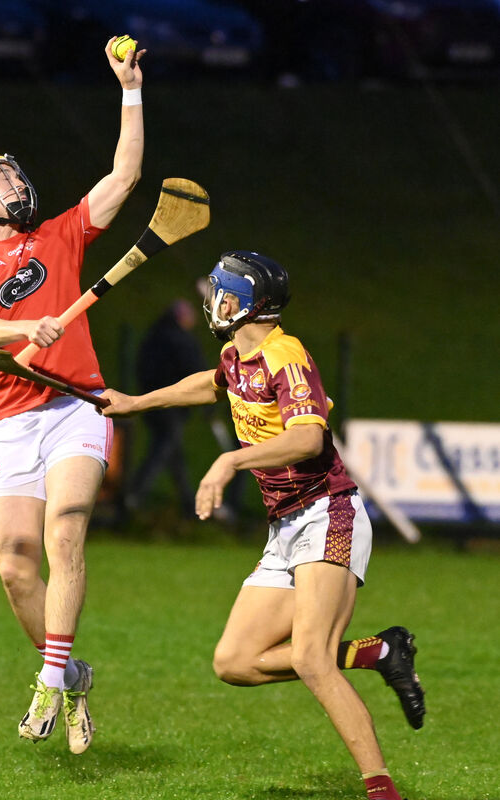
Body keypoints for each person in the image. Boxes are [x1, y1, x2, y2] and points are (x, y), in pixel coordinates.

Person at [100, 251, 425, 800]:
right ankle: (377, 653)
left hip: (329, 513)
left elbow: (309, 438)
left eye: (223, 292)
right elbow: (213, 383)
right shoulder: (236, 354)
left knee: (309, 658)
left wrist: (228, 461)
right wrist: (136, 403)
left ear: (249, 303)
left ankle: (381, 790)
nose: (213, 300)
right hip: (285, 527)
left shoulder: (285, 356)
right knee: (234, 662)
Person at [0, 37, 145, 754]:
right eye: (0, 179)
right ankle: (71, 670)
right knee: (14, 565)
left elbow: (125, 174)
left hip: (76, 409)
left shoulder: (62, 235)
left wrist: (130, 88)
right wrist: (34, 322)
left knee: (64, 533)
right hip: (13, 423)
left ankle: (49, 681)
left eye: (12, 173)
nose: (14, 183)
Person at [127, 299, 208, 517]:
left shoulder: (154, 336)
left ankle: (188, 504)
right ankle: (134, 496)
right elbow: (196, 371)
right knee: (164, 448)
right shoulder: (180, 340)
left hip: (151, 401)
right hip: (172, 403)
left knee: (173, 451)